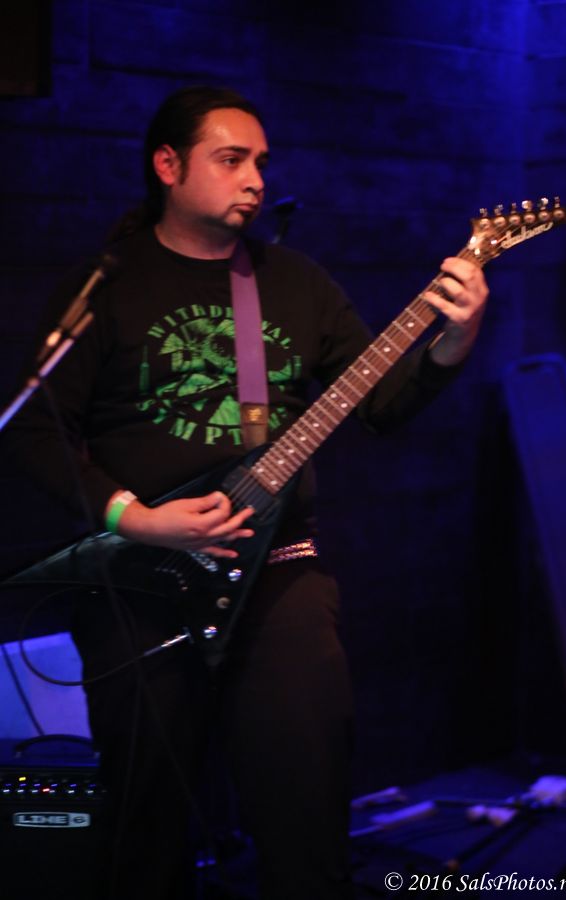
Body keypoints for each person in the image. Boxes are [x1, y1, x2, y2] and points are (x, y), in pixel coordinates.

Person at [4, 86, 489, 899]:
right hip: (138, 586)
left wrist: (457, 336)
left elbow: (382, 405)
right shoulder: (107, 285)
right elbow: (32, 431)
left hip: (280, 575)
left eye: (261, 162)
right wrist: (136, 517)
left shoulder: (294, 283)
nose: (256, 179)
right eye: (231, 160)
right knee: (143, 835)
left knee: (307, 825)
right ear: (168, 165)